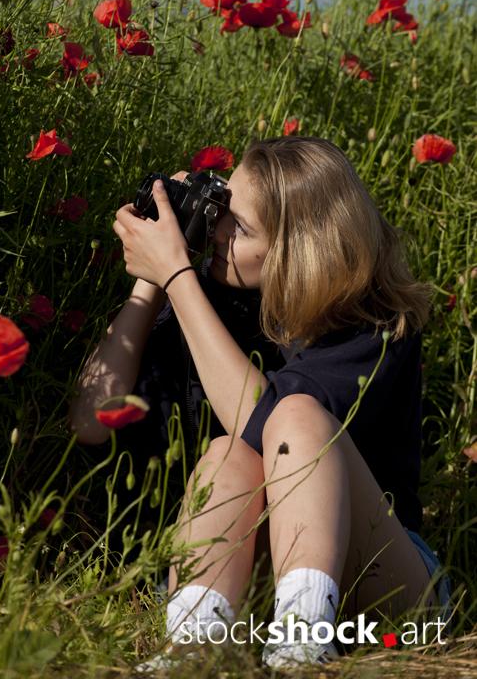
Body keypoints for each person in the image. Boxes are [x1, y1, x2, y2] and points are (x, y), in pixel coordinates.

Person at [69, 137, 453, 671]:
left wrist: (178, 278)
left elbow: (266, 427)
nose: (219, 231)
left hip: (384, 593)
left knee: (293, 416)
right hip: (255, 585)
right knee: (225, 457)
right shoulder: (218, 292)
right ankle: (193, 651)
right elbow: (90, 421)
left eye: (239, 227)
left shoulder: (374, 324)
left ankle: (303, 646)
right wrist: (149, 285)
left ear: (297, 251)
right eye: (222, 208)